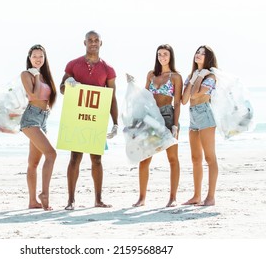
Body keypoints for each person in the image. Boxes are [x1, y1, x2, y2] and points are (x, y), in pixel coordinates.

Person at [59, 30, 118, 210]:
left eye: (96, 40)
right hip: (77, 117)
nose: (93, 43)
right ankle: (71, 200)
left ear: (101, 43)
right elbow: (62, 89)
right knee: (75, 158)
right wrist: (68, 84)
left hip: (96, 119)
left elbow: (112, 97)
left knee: (97, 160)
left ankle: (98, 199)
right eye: (90, 40)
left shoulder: (108, 69)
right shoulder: (73, 64)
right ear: (84, 42)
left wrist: (115, 122)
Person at [132, 44, 183, 208]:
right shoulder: (151, 75)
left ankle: (173, 197)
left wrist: (175, 125)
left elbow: (177, 102)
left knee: (172, 159)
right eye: (159, 54)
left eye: (165, 54)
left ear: (171, 56)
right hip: (151, 118)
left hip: (168, 116)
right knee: (145, 159)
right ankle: (141, 198)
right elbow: (144, 98)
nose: (162, 57)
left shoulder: (175, 77)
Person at [20, 44, 57, 211]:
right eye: (34, 56)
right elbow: (33, 94)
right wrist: (35, 76)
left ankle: (32, 201)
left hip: (43, 119)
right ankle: (44, 194)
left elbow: (50, 97)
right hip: (30, 118)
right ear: (29, 58)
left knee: (33, 163)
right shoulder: (27, 74)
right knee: (51, 154)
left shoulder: (45, 76)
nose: (37, 59)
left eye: (41, 56)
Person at [181, 45, 219, 206]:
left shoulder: (210, 76)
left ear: (208, 58)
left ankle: (210, 197)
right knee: (196, 158)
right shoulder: (192, 75)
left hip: (205, 115)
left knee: (210, 157)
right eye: (198, 52)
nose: (198, 55)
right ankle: (196, 196)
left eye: (203, 54)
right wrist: (195, 76)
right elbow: (184, 100)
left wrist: (199, 76)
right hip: (192, 116)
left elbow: (196, 94)